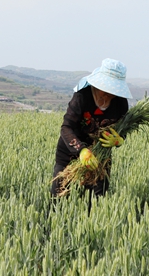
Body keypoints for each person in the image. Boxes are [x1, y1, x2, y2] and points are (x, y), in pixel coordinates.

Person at [50, 58, 131, 198]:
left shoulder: (120, 103)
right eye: (106, 88)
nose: (109, 93)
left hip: (99, 156)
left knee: (97, 199)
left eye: (113, 89)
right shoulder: (82, 96)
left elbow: (122, 129)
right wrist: (81, 150)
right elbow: (66, 127)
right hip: (70, 152)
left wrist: (119, 140)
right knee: (58, 195)